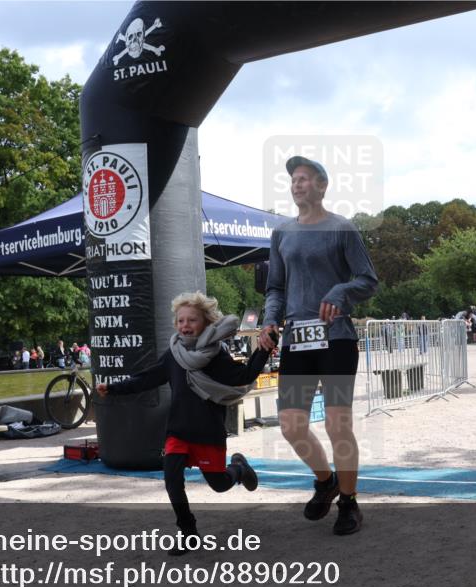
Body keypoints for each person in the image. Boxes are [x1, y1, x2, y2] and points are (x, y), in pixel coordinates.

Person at [96, 292, 269, 555]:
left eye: (192, 320)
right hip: (178, 430)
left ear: (206, 323)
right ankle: (189, 533)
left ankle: (239, 468)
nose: (185, 325)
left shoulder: (215, 356)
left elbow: (243, 375)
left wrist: (264, 350)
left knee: (220, 484)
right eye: (180, 321)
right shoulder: (173, 355)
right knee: (172, 479)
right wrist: (114, 388)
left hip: (208, 431)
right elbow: (147, 378)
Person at [259, 155, 378, 536]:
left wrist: (340, 291)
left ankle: (349, 502)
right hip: (297, 339)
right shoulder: (282, 233)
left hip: (337, 339)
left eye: (305, 179)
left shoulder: (342, 229)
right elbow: (275, 287)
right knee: (292, 426)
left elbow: (368, 280)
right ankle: (325, 481)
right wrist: (269, 320)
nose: (297, 184)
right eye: (293, 179)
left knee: (336, 423)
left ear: (322, 186)